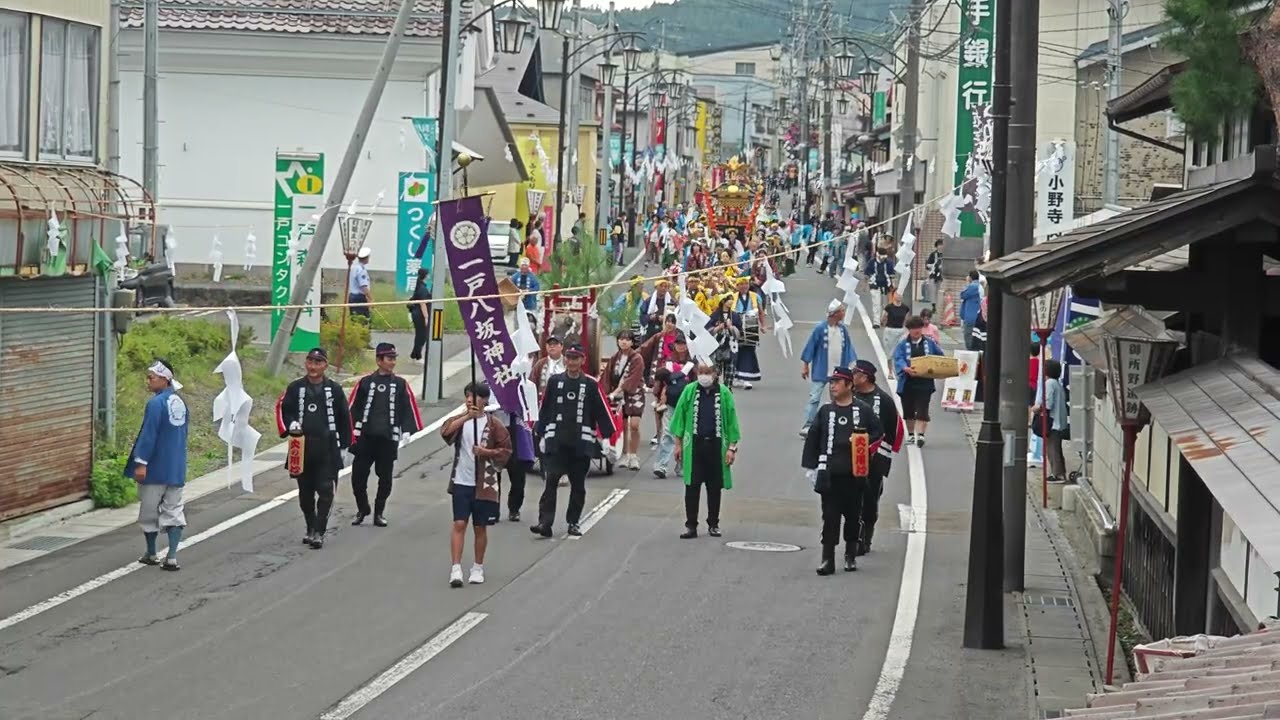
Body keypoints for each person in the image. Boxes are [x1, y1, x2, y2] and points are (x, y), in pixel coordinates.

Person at [802, 366, 884, 575]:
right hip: (830, 474)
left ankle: (850, 555)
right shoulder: (825, 411)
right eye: (831, 382)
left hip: (854, 475)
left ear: (849, 385)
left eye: (837, 382)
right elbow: (813, 438)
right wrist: (811, 467)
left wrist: (863, 443)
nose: (832, 386)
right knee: (829, 517)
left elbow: (878, 432)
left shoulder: (863, 410)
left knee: (853, 516)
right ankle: (827, 559)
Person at [531, 344, 617, 537]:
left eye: (576, 358)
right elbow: (545, 408)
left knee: (578, 485)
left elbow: (601, 411)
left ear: (582, 360)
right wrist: (541, 433)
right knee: (551, 481)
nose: (571, 362)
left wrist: (606, 438)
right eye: (569, 358)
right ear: (565, 359)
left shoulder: (590, 384)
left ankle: (573, 521)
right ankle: (545, 523)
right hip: (557, 441)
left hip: (581, 443)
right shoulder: (555, 382)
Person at [276, 347, 353, 549]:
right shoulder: (295, 388)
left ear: (325, 365)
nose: (313, 366)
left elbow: (345, 418)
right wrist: (291, 424)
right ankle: (310, 526)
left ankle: (320, 531)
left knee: (326, 491)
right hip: (302, 448)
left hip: (327, 448)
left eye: (318, 362)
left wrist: (345, 446)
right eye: (310, 362)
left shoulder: (334, 390)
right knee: (305, 494)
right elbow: (285, 410)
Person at [440, 382, 512, 587]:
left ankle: (477, 567)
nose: (470, 400)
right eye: (467, 396)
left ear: (485, 400)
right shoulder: (461, 421)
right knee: (459, 523)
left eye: (475, 396)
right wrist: (466, 417)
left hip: (484, 484)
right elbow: (445, 432)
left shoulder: (494, 424)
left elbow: (506, 451)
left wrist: (485, 452)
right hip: (461, 481)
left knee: (480, 527)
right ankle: (456, 568)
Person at [348, 342, 424, 527]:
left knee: (385, 478)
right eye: (389, 359)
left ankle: (379, 512)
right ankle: (363, 508)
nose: (392, 362)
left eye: (393, 359)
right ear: (379, 360)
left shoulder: (400, 384)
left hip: (388, 438)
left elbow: (408, 406)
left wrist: (407, 429)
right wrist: (348, 433)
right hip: (365, 438)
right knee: (358, 477)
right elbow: (352, 408)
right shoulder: (365, 383)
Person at [125, 360, 189, 571]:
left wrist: (141, 462)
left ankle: (151, 552)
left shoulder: (155, 404)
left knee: (149, 511)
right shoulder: (180, 402)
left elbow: (148, 434)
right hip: (176, 467)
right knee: (174, 510)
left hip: (155, 467)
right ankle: (172, 556)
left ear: (164, 379)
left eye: (151, 377)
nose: (148, 381)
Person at [669, 363, 741, 539]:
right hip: (694, 446)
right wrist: (678, 445)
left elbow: (732, 421)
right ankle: (691, 525)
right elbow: (679, 418)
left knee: (714, 487)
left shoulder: (724, 393)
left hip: (716, 446)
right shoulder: (689, 391)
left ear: (715, 373)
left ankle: (713, 524)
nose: (704, 376)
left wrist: (731, 448)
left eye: (707, 372)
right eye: (701, 372)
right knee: (692, 486)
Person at [850, 359, 904, 556]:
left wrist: (881, 456)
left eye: (854, 373)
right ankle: (852, 536)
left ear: (864, 377)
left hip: (874, 458)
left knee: (870, 499)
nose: (851, 376)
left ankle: (866, 536)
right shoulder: (849, 396)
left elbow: (893, 430)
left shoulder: (884, 401)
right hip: (849, 456)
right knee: (849, 498)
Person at [799, 300, 855, 436]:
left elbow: (848, 348)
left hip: (839, 370)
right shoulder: (820, 328)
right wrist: (805, 365)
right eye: (842, 311)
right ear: (835, 313)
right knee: (814, 397)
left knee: (837, 398)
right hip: (821, 369)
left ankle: (836, 424)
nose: (844, 313)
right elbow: (810, 346)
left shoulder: (842, 330)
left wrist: (852, 364)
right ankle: (808, 424)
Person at [892, 316, 945, 448]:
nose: (916, 331)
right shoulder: (902, 344)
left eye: (919, 328)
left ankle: (920, 435)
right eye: (913, 328)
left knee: (922, 408)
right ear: (909, 330)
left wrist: (938, 367)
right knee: (908, 409)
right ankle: (911, 434)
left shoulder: (930, 343)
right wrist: (905, 368)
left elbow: (940, 356)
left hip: (925, 381)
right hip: (908, 381)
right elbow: (898, 358)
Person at [601, 329, 647, 470]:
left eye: (627, 339)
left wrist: (616, 391)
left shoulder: (637, 358)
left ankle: (634, 455)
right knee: (623, 425)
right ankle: (625, 454)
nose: (624, 342)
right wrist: (605, 392)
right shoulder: (615, 357)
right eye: (621, 339)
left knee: (634, 425)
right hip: (619, 395)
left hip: (635, 393)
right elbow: (607, 377)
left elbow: (632, 379)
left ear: (632, 342)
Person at [732, 275, 767, 389]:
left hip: (751, 325)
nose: (744, 286)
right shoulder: (732, 297)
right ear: (737, 286)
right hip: (737, 326)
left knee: (749, 351)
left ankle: (745, 378)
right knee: (735, 351)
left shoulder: (755, 296)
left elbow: (760, 312)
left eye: (746, 284)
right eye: (741, 284)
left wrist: (763, 325)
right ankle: (736, 376)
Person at [1039, 359, 1070, 482]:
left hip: (1052, 422)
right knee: (1056, 448)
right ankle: (1060, 472)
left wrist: (1037, 408)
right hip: (1059, 421)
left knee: (1052, 449)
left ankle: (1057, 474)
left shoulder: (1049, 383)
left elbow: (1048, 403)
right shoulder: (1057, 384)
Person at [865, 249, 895, 328]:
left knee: (887, 305)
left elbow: (892, 274)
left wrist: (892, 284)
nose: (883, 259)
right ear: (878, 255)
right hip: (875, 285)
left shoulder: (889, 262)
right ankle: (876, 322)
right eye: (881, 257)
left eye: (884, 257)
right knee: (876, 303)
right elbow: (867, 273)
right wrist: (865, 284)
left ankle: (884, 319)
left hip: (886, 286)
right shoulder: (872, 262)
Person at [408, 268, 430, 361]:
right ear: (425, 275)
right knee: (422, 335)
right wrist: (426, 317)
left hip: (416, 313)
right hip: (420, 314)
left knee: (420, 335)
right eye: (428, 274)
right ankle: (417, 354)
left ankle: (415, 354)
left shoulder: (420, 286)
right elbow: (422, 303)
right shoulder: (422, 288)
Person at [348, 246, 373, 320]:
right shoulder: (361, 270)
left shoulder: (355, 268)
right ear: (366, 258)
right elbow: (363, 286)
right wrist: (370, 299)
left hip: (352, 296)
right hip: (359, 298)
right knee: (363, 319)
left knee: (355, 318)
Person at [960, 270, 983, 350]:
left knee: (968, 336)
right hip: (974, 316)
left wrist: (967, 284)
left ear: (970, 277)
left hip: (971, 317)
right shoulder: (978, 286)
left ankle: (971, 352)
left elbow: (963, 294)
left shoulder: (973, 286)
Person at [924, 239, 944, 312]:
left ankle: (939, 306)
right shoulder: (933, 254)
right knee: (933, 291)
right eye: (939, 245)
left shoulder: (946, 254)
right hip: (933, 275)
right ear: (936, 246)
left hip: (942, 276)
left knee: (939, 291)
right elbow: (928, 265)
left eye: (942, 245)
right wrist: (933, 266)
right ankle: (934, 306)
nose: (941, 246)